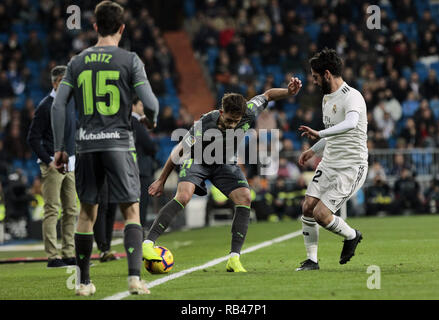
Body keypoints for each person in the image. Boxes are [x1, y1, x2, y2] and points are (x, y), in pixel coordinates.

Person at [51, 1, 159, 296]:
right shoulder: (130, 59)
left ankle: (84, 282)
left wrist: (61, 148)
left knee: (87, 213)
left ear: (95, 26)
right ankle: (135, 279)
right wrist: (152, 120)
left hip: (85, 146)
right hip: (118, 144)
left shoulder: (76, 62)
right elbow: (150, 103)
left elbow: (59, 105)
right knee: (132, 209)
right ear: (122, 28)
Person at [143, 77, 302, 272]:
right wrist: (161, 179)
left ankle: (234, 259)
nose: (232, 125)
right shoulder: (205, 122)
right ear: (221, 112)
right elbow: (179, 151)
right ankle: (148, 243)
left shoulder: (249, 111)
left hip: (224, 162)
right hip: (198, 160)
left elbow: (267, 95)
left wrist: (288, 92)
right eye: (228, 120)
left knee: (245, 197)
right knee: (184, 196)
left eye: (236, 122)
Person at [296, 48, 367, 271]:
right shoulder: (327, 98)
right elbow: (333, 132)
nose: (314, 82)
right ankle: (312, 261)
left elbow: (351, 124)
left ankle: (352, 235)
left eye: (316, 77)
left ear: (327, 74)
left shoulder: (352, 96)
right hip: (329, 163)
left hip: (350, 167)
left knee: (321, 214)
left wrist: (320, 133)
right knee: (307, 206)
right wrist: (313, 151)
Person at [27, 65, 78, 268]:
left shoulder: (70, 102)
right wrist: (48, 162)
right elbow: (32, 138)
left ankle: (68, 252)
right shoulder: (45, 106)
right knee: (52, 209)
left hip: (71, 164)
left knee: (71, 210)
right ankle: (52, 256)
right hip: (52, 165)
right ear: (56, 82)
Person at [131, 97, 158, 229]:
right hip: (141, 169)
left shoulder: (130, 122)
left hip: (134, 168)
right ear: (133, 106)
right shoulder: (135, 122)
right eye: (141, 105)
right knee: (141, 205)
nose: (143, 108)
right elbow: (150, 146)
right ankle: (138, 233)